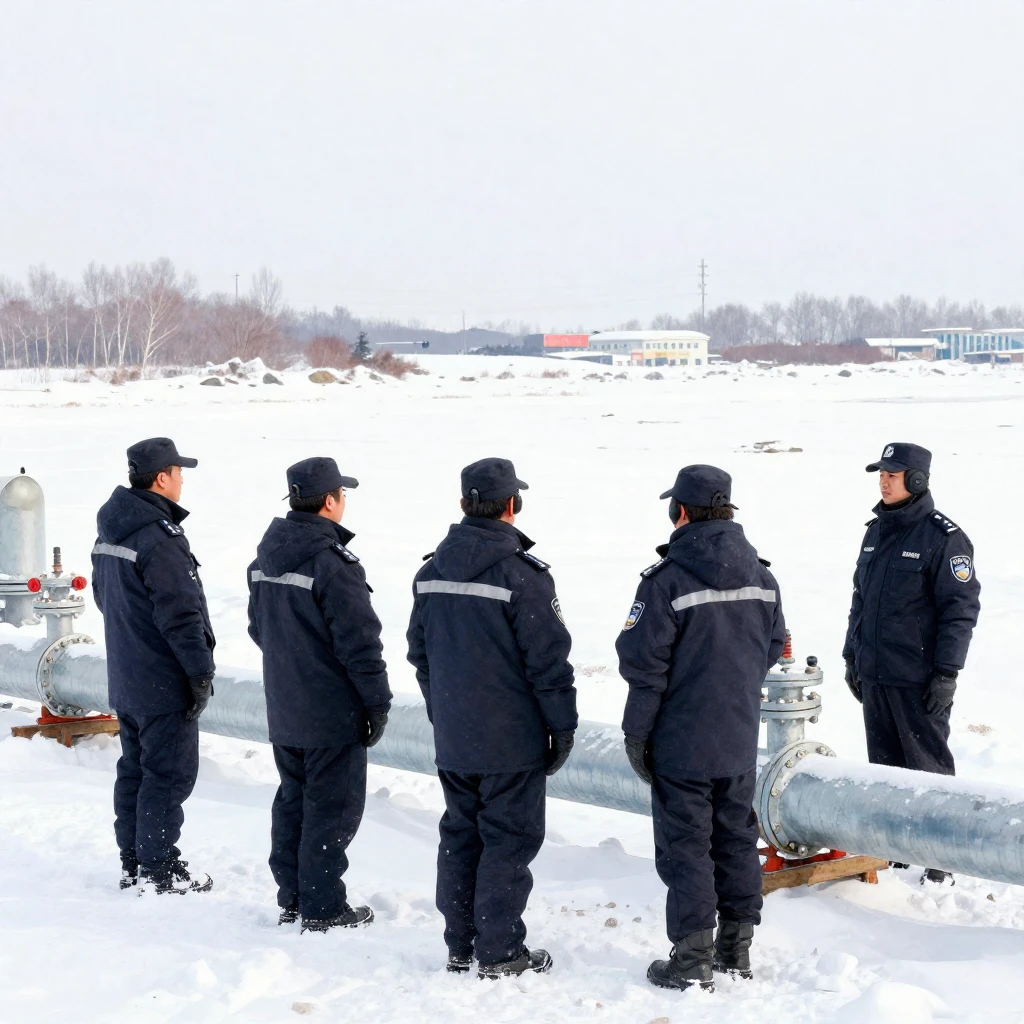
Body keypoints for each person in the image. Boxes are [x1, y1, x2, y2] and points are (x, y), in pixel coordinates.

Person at [406, 458, 577, 979]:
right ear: (511, 506)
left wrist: (445, 713)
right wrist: (562, 728)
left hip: (456, 739)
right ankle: (500, 951)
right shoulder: (524, 578)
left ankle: (461, 944)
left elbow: (420, 655)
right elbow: (549, 665)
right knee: (507, 840)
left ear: (464, 504)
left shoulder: (430, 572)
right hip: (511, 742)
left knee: (462, 834)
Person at [616, 465, 785, 991]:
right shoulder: (762, 576)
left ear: (681, 513)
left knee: (686, 845)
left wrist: (637, 735)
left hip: (681, 741)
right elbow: (775, 644)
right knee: (736, 838)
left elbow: (642, 664)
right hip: (736, 737)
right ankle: (736, 948)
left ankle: (692, 959)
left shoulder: (666, 580)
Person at [247, 457, 391, 933]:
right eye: (342, 494)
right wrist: (376, 702)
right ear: (330, 502)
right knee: (331, 809)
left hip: (285, 705)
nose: (343, 501)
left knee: (294, 799)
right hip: (331, 711)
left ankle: (294, 895)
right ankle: (323, 907)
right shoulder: (334, 565)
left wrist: (295, 664)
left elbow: (258, 628)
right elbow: (360, 644)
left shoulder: (263, 559)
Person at [843, 442, 980, 885]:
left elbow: (960, 611)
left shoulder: (944, 538)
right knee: (884, 772)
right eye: (880, 473)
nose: (883, 480)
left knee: (929, 770)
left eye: (893, 474)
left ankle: (942, 860)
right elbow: (861, 600)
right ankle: (894, 853)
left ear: (917, 480)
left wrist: (947, 674)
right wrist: (852, 654)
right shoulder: (875, 532)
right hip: (876, 674)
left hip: (919, 678)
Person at [91, 437, 215, 895]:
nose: (182, 479)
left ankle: (135, 863)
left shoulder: (111, 530)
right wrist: (199, 673)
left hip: (126, 674)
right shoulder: (159, 538)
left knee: (136, 770)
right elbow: (181, 615)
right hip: (163, 679)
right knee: (167, 775)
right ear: (162, 477)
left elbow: (106, 601)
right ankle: (159, 871)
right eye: (179, 471)